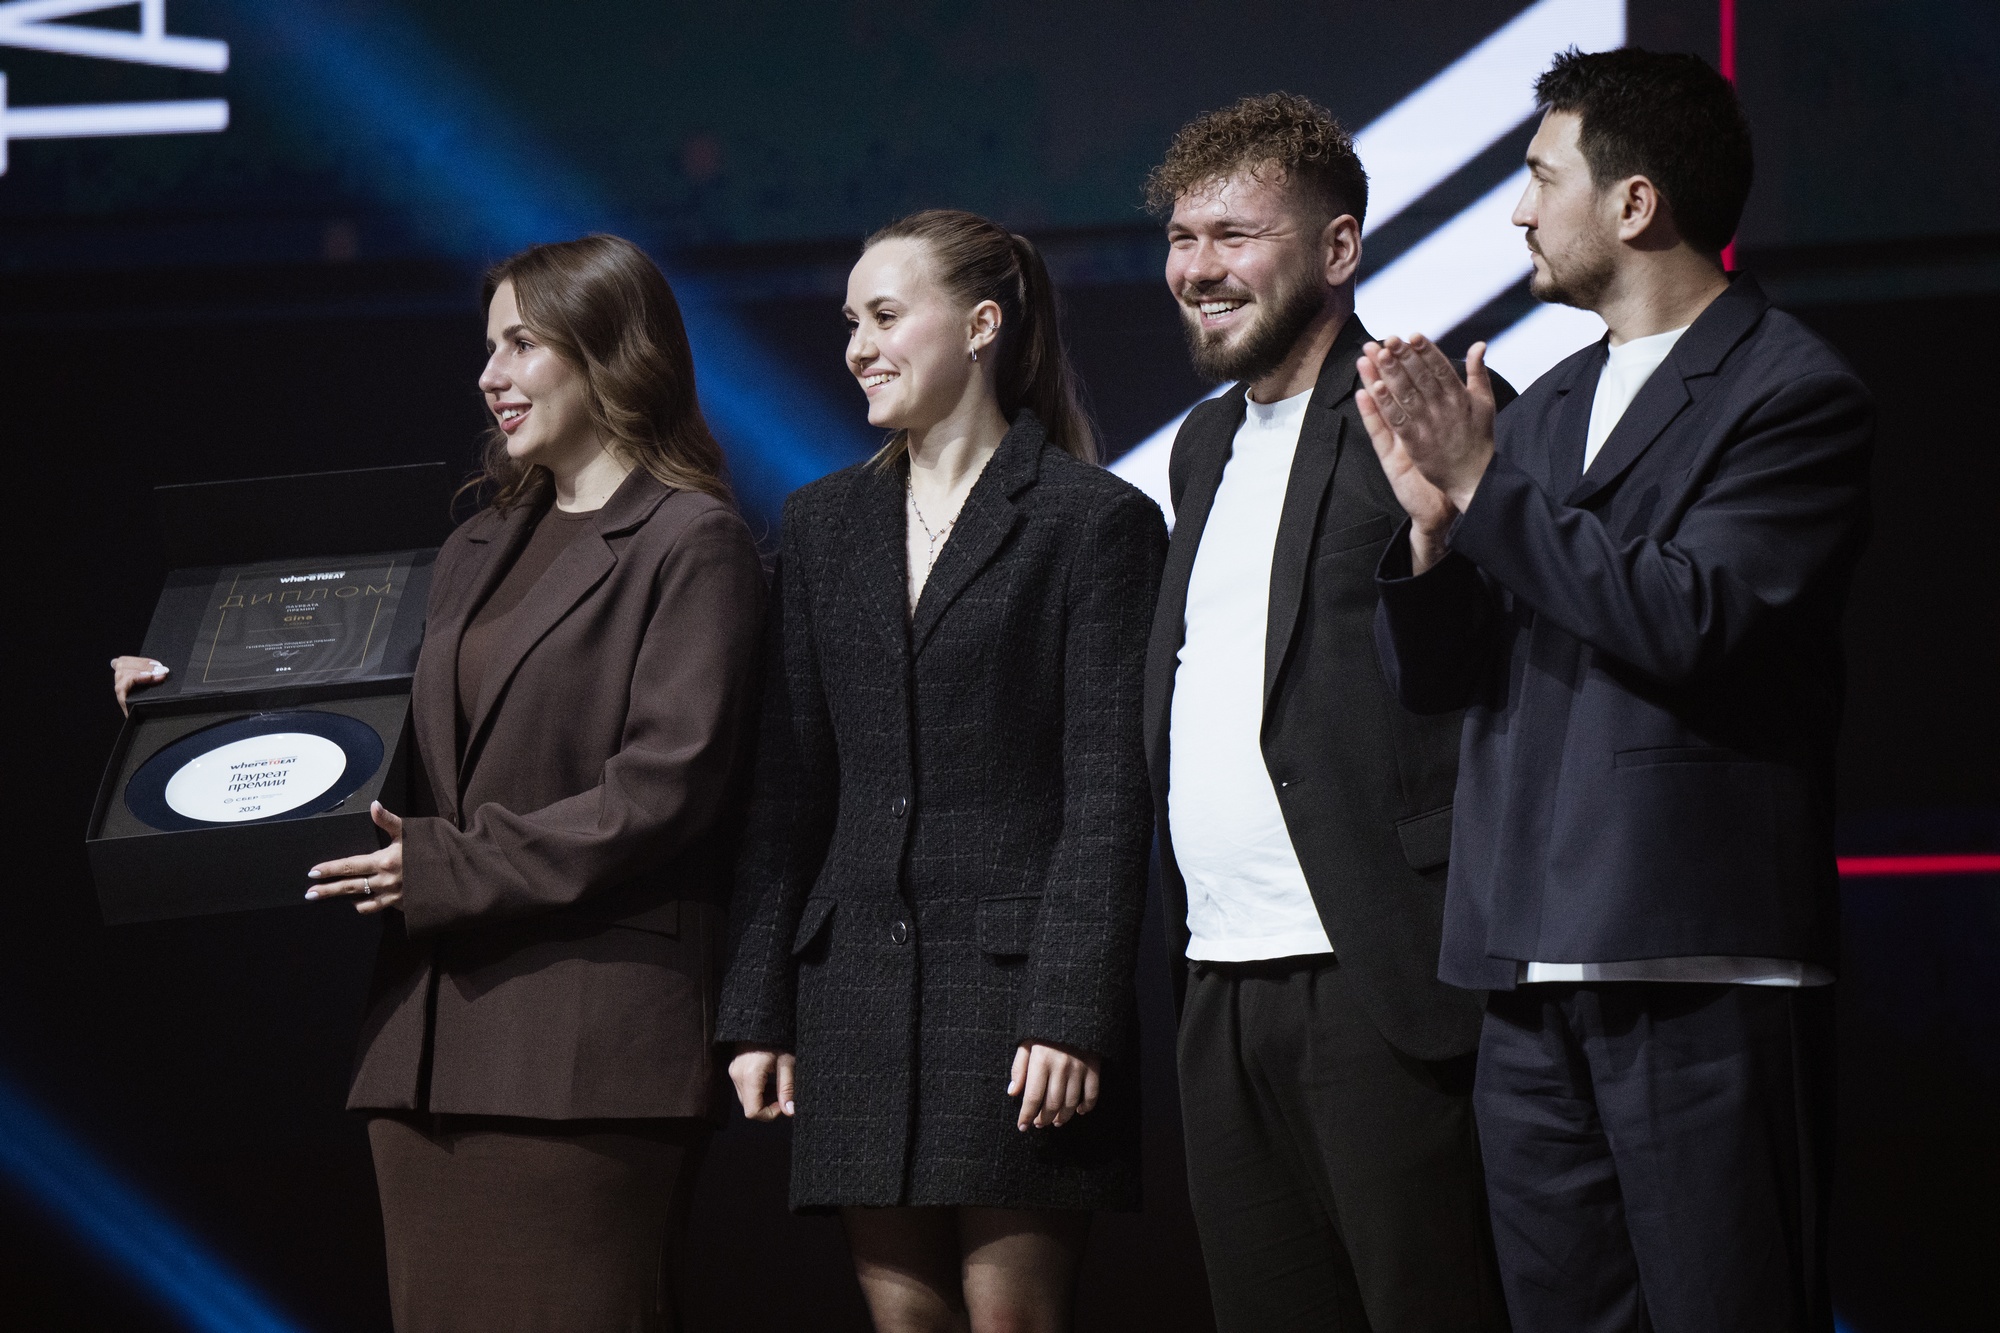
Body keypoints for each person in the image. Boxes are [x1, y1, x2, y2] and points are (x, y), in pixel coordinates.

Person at [119, 234, 767, 1332]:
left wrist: (446, 866)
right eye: (488, 346)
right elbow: (393, 743)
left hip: (583, 1050)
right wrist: (194, 705)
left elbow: (665, 789)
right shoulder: (478, 543)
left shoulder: (692, 540)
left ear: (610, 350)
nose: (489, 374)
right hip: (424, 1046)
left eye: (521, 344)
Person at [1361, 50, 1872, 1333]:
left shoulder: (1790, 391)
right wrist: (1432, 532)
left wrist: (1482, 486)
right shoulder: (1541, 411)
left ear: (1634, 203)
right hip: (1525, 959)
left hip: (1697, 960)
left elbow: (1690, 617)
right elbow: (1443, 677)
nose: (1518, 212)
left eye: (1541, 178)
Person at [717, 208, 1166, 1333]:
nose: (857, 347)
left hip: (1018, 998)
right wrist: (757, 1010)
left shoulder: (1092, 521)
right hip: (854, 994)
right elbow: (787, 792)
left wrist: (1071, 1012)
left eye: (883, 315)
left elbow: (1108, 795)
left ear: (979, 326)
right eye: (850, 323)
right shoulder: (822, 524)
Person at [1138, 93, 1513, 1332]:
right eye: (1182, 238)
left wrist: (1440, 538)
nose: (1197, 268)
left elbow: (1492, 666)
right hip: (1218, 975)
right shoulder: (1200, 445)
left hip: (1376, 971)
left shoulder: (1422, 409)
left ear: (1337, 248)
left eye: (1234, 235)